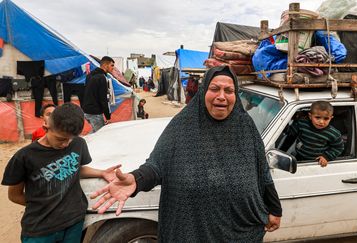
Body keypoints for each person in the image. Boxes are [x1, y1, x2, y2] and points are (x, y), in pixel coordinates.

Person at [91, 66, 282, 242]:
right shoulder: (183, 126)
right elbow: (157, 165)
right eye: (215, 89)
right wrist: (137, 180)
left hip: (239, 230)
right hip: (192, 231)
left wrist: (275, 208)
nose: (222, 96)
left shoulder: (245, 126)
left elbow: (262, 171)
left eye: (229, 91)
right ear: (203, 91)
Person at [1, 103, 120, 243]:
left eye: (71, 139)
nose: (66, 144)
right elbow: (14, 195)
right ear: (46, 128)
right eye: (61, 139)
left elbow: (75, 168)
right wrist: (42, 205)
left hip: (74, 221)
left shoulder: (79, 144)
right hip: (40, 229)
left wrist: (102, 173)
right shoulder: (24, 157)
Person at [289, 101, 344, 167]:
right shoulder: (302, 124)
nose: (321, 122)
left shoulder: (334, 134)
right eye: (317, 117)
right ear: (310, 116)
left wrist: (326, 157)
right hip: (299, 157)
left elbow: (339, 148)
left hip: (317, 162)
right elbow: (290, 132)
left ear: (331, 118)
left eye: (326, 118)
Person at [82, 56, 115, 133]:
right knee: (100, 134)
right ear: (105, 65)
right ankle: (84, 143)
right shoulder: (102, 77)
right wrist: (108, 116)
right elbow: (103, 99)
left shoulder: (89, 75)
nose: (113, 68)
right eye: (112, 65)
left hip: (86, 111)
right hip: (94, 113)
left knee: (94, 132)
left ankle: (85, 142)